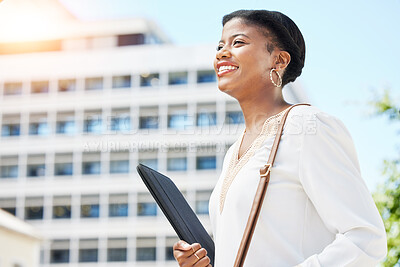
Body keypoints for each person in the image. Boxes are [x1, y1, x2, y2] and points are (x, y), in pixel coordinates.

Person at [173, 9, 387, 266]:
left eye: (238, 42)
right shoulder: (233, 152)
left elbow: (366, 240)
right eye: (220, 45)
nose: (221, 53)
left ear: (279, 60)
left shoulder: (308, 127)